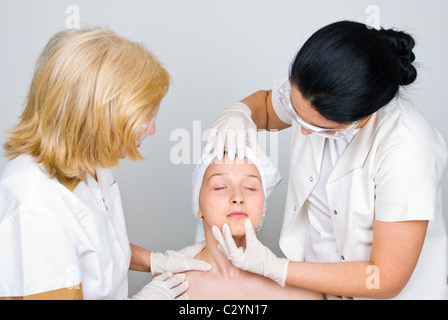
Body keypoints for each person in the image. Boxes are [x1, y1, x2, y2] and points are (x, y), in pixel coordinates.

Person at [205, 21, 448, 299]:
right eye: (295, 113)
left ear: (358, 114)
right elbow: (269, 108)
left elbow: (384, 278)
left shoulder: (407, 150)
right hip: (317, 289)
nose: (303, 130)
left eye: (320, 128)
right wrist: (241, 112)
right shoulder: (312, 90)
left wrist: (275, 268)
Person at [0, 28, 210, 300]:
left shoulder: (90, 164)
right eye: (145, 117)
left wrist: (154, 261)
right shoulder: (35, 199)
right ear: (102, 114)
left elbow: (95, 249)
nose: (153, 130)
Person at [185, 147, 322, 299]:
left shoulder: (300, 294)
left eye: (250, 187)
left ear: (263, 206)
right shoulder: (171, 286)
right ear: (199, 206)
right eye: (220, 187)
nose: (237, 197)